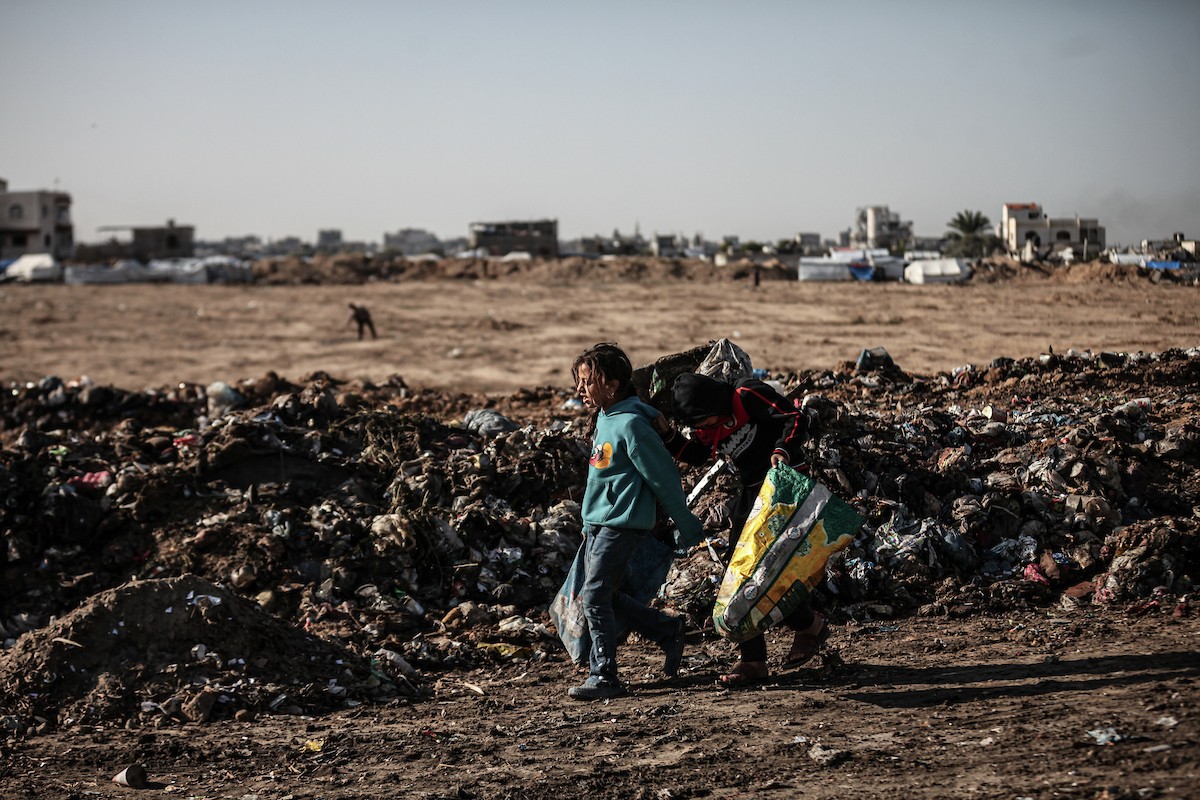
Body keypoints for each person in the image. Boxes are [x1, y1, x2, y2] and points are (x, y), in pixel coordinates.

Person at [658, 371, 826, 687]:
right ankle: (754, 660)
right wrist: (668, 435)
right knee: (740, 575)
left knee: (771, 573)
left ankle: (808, 626)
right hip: (751, 494)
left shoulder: (747, 395)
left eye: (705, 421)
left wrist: (782, 449)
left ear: (713, 402)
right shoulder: (708, 425)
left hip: (783, 488)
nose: (705, 429)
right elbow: (695, 455)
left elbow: (794, 416)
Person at [567, 343, 701, 701]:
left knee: (594, 594)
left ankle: (604, 674)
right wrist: (586, 521)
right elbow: (600, 480)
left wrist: (686, 524)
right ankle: (666, 630)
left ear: (611, 384)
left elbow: (664, 478)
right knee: (604, 594)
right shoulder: (606, 418)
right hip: (598, 523)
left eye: (587, 381)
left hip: (623, 523)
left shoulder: (631, 425)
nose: (580, 389)